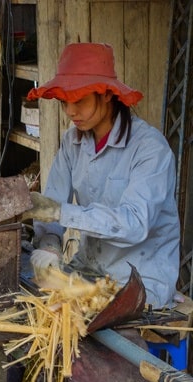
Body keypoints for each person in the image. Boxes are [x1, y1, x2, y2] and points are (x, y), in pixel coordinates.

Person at [22, 42, 180, 309]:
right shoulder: (72, 142)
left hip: (140, 282)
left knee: (87, 341)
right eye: (64, 102)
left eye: (80, 100)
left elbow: (134, 224)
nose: (71, 112)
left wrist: (61, 212)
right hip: (89, 272)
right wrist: (49, 245)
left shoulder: (150, 148)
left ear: (107, 95)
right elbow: (51, 207)